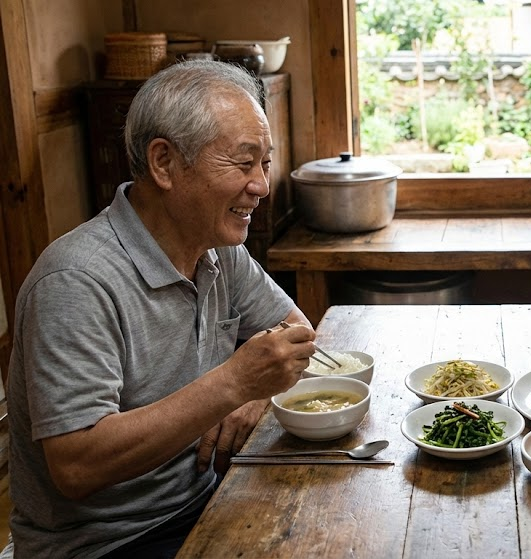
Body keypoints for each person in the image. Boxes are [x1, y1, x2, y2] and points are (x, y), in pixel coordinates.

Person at [3, 60, 316, 558]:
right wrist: (233, 383)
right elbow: (76, 465)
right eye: (243, 162)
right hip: (109, 542)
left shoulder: (219, 249)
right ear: (164, 163)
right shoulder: (75, 280)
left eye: (265, 162)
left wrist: (255, 397)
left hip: (203, 497)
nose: (261, 185)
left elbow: (296, 335)